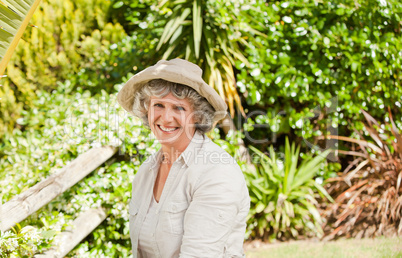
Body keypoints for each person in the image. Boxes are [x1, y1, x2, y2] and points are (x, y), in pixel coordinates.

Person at [117, 58, 250, 258]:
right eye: (159, 105)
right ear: (147, 109)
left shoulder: (216, 173)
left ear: (197, 116)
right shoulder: (147, 170)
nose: (166, 117)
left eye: (179, 108)